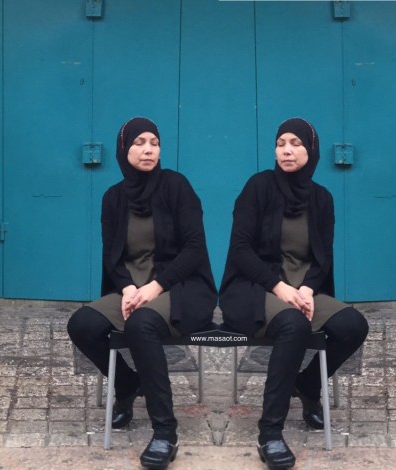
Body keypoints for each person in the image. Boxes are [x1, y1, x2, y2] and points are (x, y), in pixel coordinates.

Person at [67, 117, 217, 469]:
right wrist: (127, 287)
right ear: (124, 149)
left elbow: (194, 249)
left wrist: (154, 287)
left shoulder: (177, 187)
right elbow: (112, 255)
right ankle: (127, 383)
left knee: (141, 325)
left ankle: (165, 431)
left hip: (179, 287)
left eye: (154, 142)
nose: (148, 149)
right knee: (82, 325)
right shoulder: (113, 197)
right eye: (139, 143)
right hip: (132, 287)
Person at [219, 118, 368, 469]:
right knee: (294, 325)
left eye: (296, 144)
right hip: (255, 288)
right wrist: (281, 288)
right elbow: (240, 250)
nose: (287, 150)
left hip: (302, 289)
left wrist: (307, 289)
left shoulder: (322, 198)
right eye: (281, 143)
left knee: (353, 326)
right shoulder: (257, 187)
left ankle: (308, 385)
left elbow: (323, 257)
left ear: (311, 150)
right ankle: (270, 432)